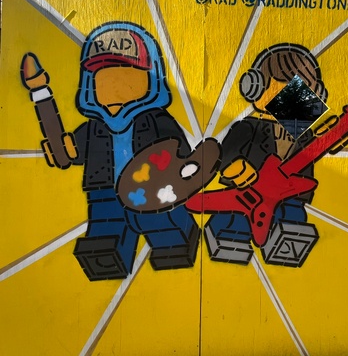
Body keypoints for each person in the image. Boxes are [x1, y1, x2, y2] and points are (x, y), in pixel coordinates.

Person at [20, 21, 201, 281]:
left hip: (155, 193)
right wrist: (41, 94)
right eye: (103, 78)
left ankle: (174, 249)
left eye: (128, 76)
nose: (114, 86)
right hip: (105, 194)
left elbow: (180, 152)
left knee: (170, 239)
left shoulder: (156, 119)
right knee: (103, 249)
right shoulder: (94, 128)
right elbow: (65, 154)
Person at [203, 43, 327, 267]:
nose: (294, 100)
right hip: (246, 193)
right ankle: (231, 240)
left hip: (289, 195)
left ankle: (286, 243)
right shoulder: (250, 126)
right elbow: (226, 153)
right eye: (287, 91)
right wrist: (236, 169)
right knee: (234, 221)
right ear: (255, 87)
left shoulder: (303, 133)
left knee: (292, 218)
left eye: (301, 92)